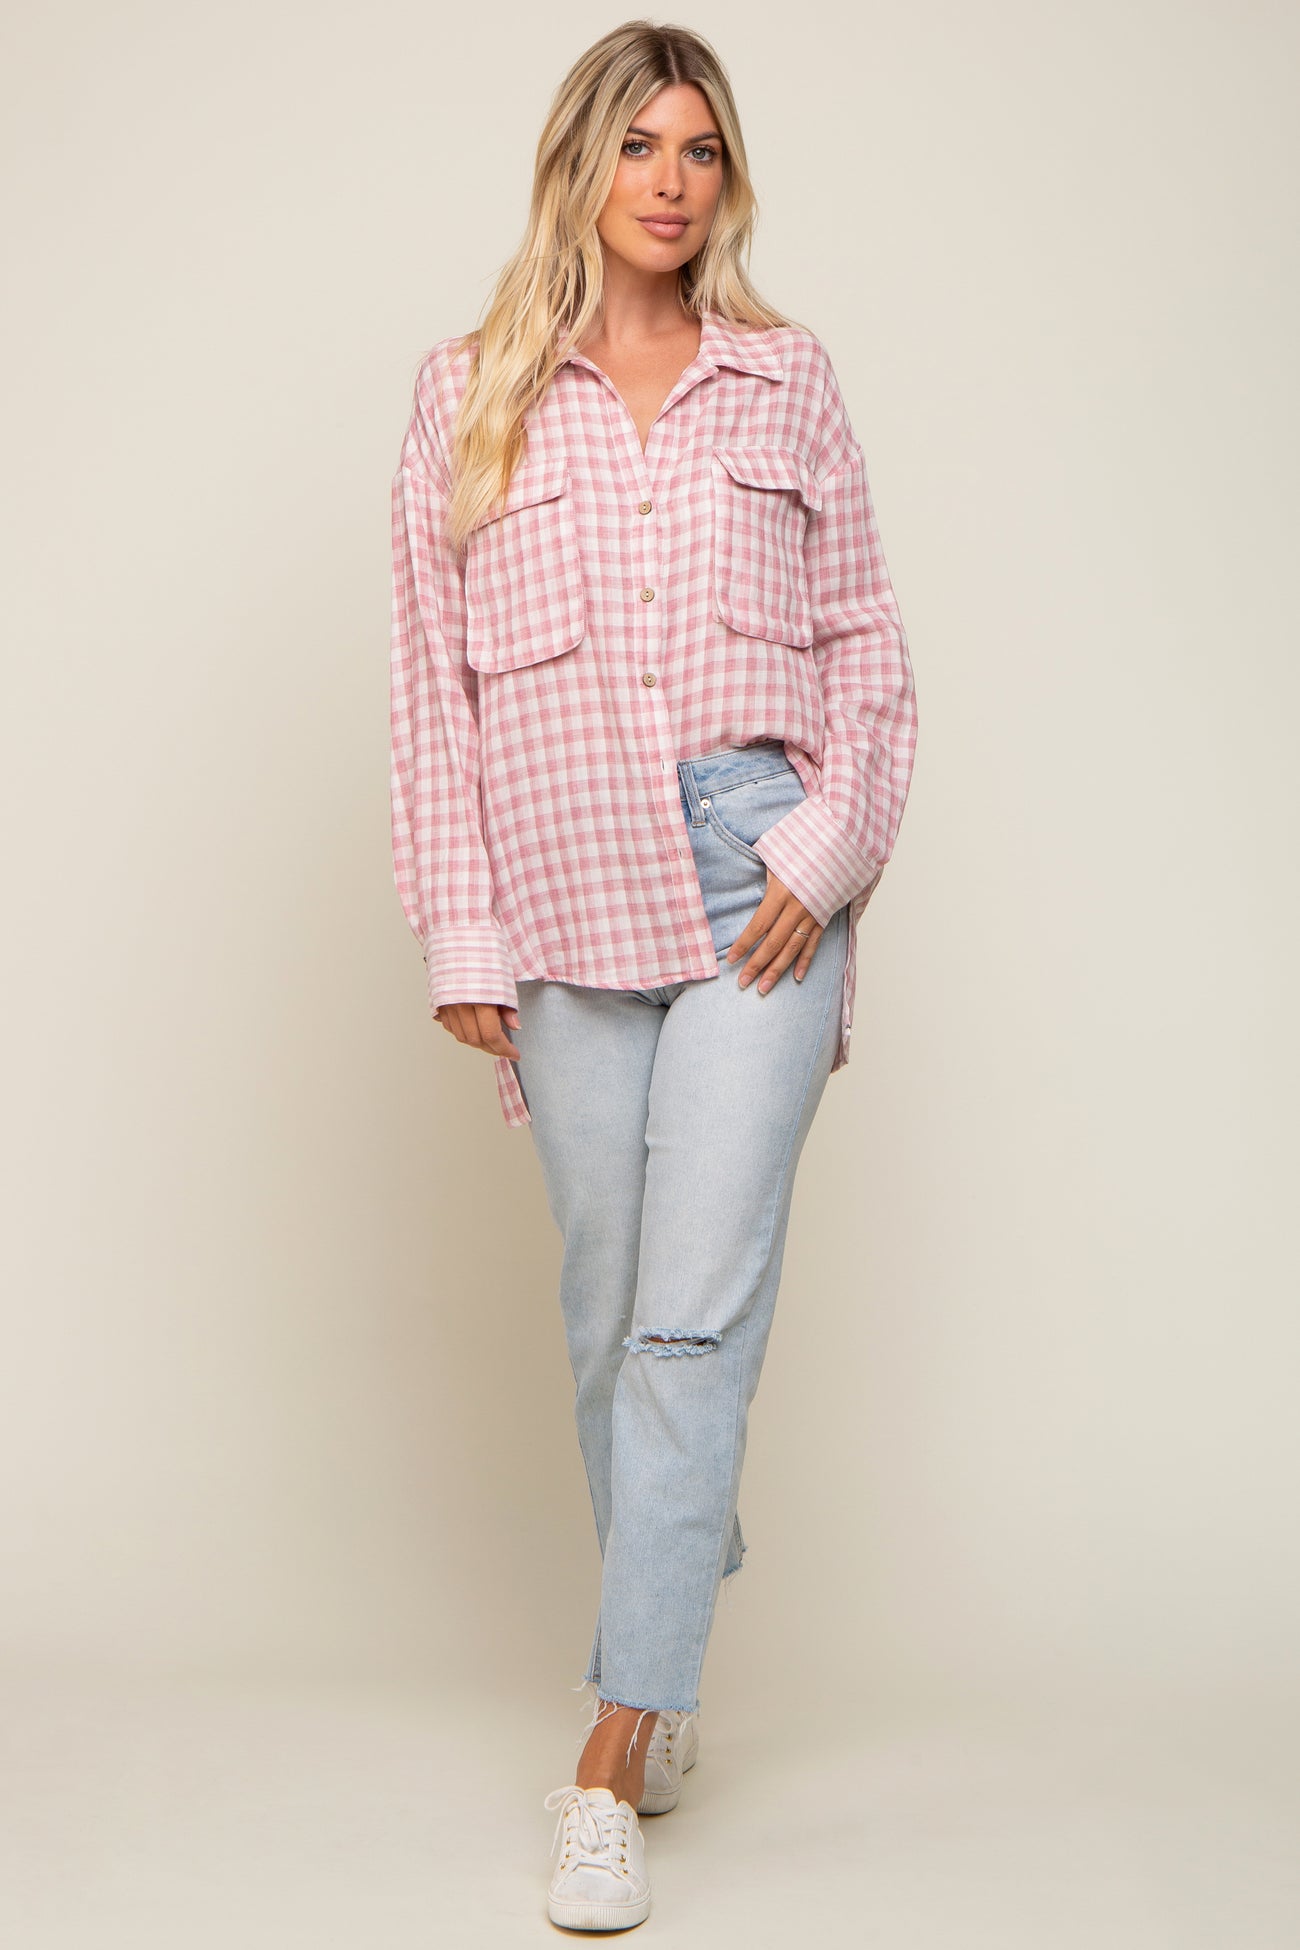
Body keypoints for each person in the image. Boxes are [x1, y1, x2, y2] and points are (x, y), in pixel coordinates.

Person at [389, 20, 918, 1931]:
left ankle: (613, 1743)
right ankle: (672, 1629)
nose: (673, 182)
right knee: (615, 1312)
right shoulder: (465, 392)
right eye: (640, 147)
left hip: (750, 878)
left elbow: (867, 644)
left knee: (691, 1322)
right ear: (581, 169)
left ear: (726, 177)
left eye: (700, 149)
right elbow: (431, 697)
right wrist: (463, 932)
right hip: (558, 894)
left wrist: (823, 852)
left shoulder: (786, 380)